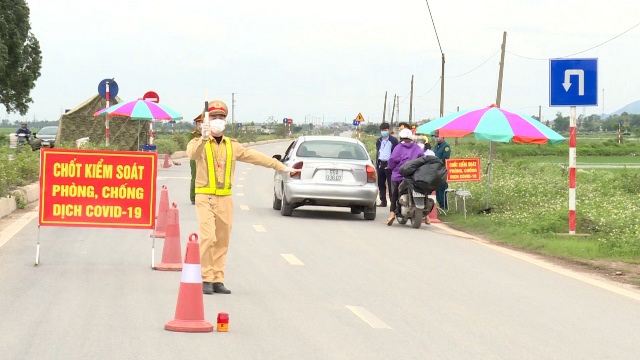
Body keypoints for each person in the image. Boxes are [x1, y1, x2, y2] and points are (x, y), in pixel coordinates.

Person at [187, 100, 298, 295]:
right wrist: (203, 138)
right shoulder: (198, 143)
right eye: (213, 117)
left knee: (222, 240)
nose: (217, 121)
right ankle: (206, 277)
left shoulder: (232, 145)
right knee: (208, 237)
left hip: (225, 198)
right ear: (206, 120)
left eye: (221, 118)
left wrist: (281, 167)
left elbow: (255, 157)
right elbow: (192, 155)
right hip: (205, 197)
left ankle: (217, 280)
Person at [385, 128, 425, 225]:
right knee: (422, 191)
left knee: (394, 194)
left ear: (401, 138)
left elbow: (392, 160)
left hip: (399, 175)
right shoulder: (417, 148)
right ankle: (427, 216)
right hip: (414, 176)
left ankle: (392, 213)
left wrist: (390, 167)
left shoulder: (398, 147)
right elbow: (423, 159)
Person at [375, 123, 398, 207]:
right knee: (381, 183)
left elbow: (396, 153)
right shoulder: (379, 140)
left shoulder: (394, 141)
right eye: (382, 130)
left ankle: (393, 202)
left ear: (388, 130)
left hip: (390, 164)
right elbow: (378, 151)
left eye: (385, 130)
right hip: (381, 163)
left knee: (390, 183)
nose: (384, 132)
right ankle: (383, 201)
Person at [433, 131, 451, 210]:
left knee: (442, 188)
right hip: (435, 170)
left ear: (443, 137)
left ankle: (444, 206)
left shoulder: (446, 146)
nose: (437, 138)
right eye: (436, 137)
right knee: (436, 188)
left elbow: (445, 159)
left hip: (442, 170)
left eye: (438, 136)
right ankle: (439, 205)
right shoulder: (436, 146)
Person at [189, 114, 203, 205]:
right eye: (200, 123)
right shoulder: (193, 135)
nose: (201, 125)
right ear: (197, 124)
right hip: (195, 158)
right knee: (195, 177)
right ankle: (193, 197)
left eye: (203, 123)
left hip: (205, 158)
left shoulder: (209, 133)